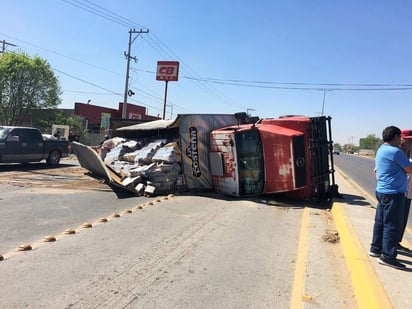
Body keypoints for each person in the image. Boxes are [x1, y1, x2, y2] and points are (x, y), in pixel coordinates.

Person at [369, 126, 412, 269]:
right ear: (395, 137)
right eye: (399, 137)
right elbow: (410, 169)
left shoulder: (381, 149)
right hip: (393, 194)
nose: (401, 140)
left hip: (382, 191)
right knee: (392, 226)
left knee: (380, 222)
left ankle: (376, 248)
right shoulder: (395, 152)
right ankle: (388, 256)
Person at [397, 129, 412, 252]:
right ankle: (387, 244)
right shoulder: (396, 153)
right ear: (401, 139)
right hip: (397, 192)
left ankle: (397, 242)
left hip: (408, 192)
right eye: (407, 139)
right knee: (393, 220)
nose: (409, 142)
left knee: (403, 219)